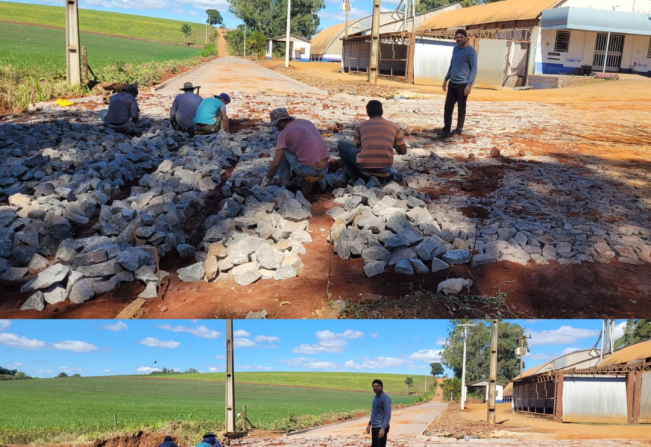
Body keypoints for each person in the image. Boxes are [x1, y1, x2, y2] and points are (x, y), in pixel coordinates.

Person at [337, 100, 407, 182]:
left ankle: (354, 175)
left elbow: (358, 148)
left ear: (368, 112)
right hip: (385, 167)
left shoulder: (361, 125)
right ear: (382, 111)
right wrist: (395, 146)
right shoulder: (394, 126)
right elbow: (403, 151)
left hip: (364, 166)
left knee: (341, 144)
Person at [261, 108, 329, 188]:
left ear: (280, 122)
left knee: (283, 149)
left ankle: (284, 183)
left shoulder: (285, 133)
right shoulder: (306, 122)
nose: (276, 127)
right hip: (325, 169)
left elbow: (276, 163)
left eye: (276, 125)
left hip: (309, 170)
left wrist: (266, 180)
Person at [437, 29, 477, 139]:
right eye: (457, 37)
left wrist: (469, 85)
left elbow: (474, 69)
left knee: (461, 108)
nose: (459, 39)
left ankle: (458, 131)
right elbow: (452, 65)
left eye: (461, 37)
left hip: (463, 84)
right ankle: (446, 130)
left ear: (465, 38)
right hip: (452, 83)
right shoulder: (455, 49)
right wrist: (446, 79)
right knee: (448, 108)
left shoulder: (470, 51)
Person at [366, 379, 391, 447]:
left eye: (377, 386)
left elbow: (387, 415)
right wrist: (369, 424)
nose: (375, 388)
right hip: (374, 426)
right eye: (374, 386)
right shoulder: (375, 397)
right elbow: (374, 412)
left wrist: (383, 428)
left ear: (382, 387)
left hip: (380, 427)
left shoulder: (385, 398)